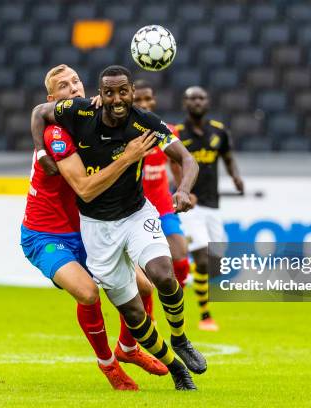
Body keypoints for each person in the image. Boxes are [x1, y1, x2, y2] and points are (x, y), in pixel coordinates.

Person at [30, 65, 205, 391]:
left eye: (76, 81)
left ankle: (164, 342)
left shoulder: (131, 119)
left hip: (129, 216)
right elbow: (84, 188)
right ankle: (133, 363)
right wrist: (42, 151)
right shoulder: (62, 125)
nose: (73, 88)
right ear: (54, 98)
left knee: (158, 279)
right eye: (63, 86)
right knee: (100, 298)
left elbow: (187, 158)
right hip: (64, 229)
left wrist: (182, 189)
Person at [172, 86, 244, 332]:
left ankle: (183, 275)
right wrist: (181, 188)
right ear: (185, 103)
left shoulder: (219, 131)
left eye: (201, 97)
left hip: (214, 205)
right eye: (192, 98)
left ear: (208, 102)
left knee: (215, 263)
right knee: (201, 259)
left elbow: (228, 157)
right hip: (191, 205)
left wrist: (236, 177)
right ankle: (205, 315)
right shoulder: (178, 134)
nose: (197, 102)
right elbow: (172, 163)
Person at [133, 80, 191, 291]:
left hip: (163, 206)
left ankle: (175, 303)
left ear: (154, 100)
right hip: (135, 210)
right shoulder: (123, 135)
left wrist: (183, 189)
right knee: (144, 270)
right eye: (138, 99)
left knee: (180, 255)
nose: (144, 103)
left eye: (148, 98)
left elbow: (176, 163)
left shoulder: (167, 132)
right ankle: (150, 315)